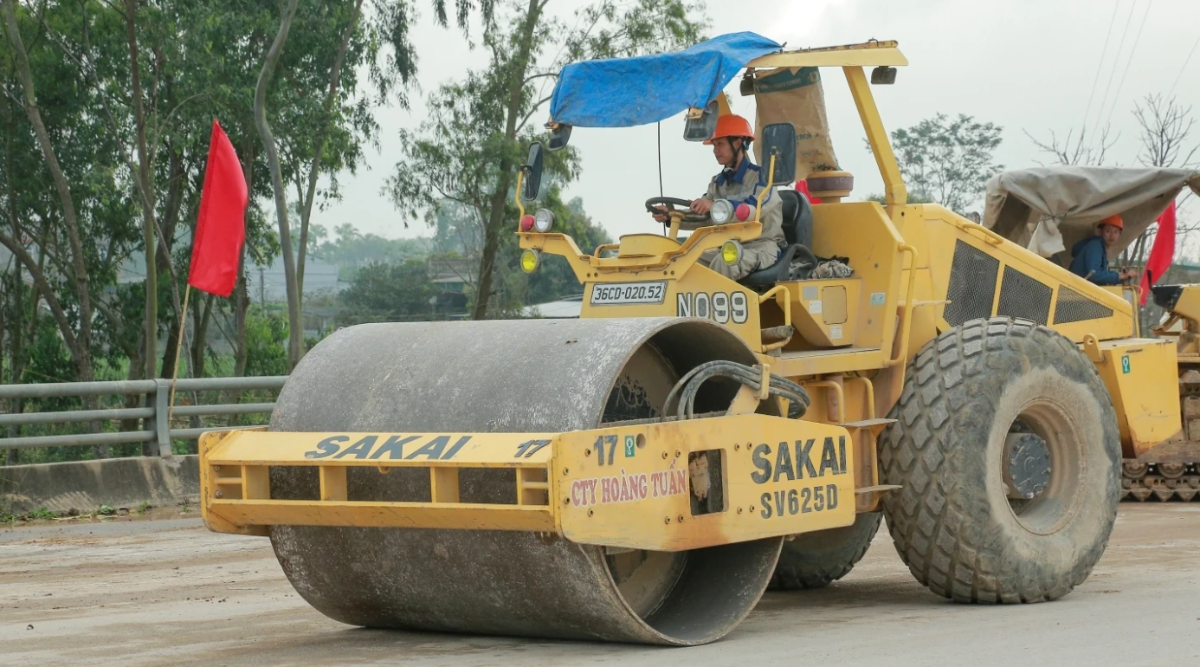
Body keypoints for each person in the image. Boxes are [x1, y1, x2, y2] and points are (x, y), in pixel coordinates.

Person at [652, 114, 786, 280]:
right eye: (714, 145)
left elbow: (753, 210)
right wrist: (671, 216)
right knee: (681, 261)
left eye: (720, 144)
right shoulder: (717, 183)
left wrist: (714, 205)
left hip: (762, 246)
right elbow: (704, 216)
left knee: (725, 262)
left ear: (738, 143)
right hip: (729, 247)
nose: (715, 150)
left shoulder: (763, 178)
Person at [1069, 214, 1138, 285]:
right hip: (1075, 288)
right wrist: (1120, 276)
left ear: (1119, 234)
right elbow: (1094, 274)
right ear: (1100, 231)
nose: (1112, 236)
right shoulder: (1095, 246)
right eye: (1108, 231)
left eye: (1115, 232)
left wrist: (1121, 277)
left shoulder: (1101, 248)